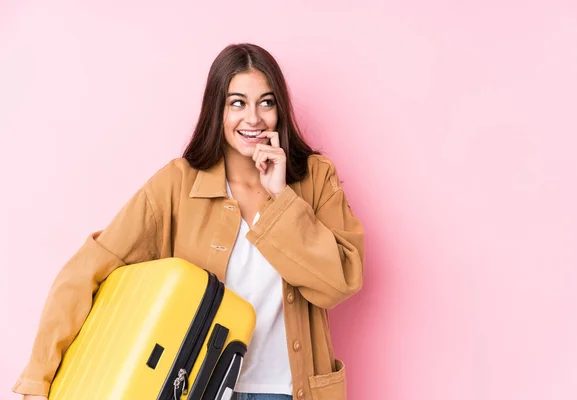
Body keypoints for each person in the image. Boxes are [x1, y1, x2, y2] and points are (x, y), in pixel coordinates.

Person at [13, 43, 364, 400]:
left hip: (289, 390)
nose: (254, 118)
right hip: (198, 389)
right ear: (217, 109)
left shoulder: (314, 177)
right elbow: (86, 271)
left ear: (279, 109)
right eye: (237, 103)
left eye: (266, 102)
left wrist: (281, 199)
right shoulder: (177, 185)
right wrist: (37, 381)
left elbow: (339, 283)